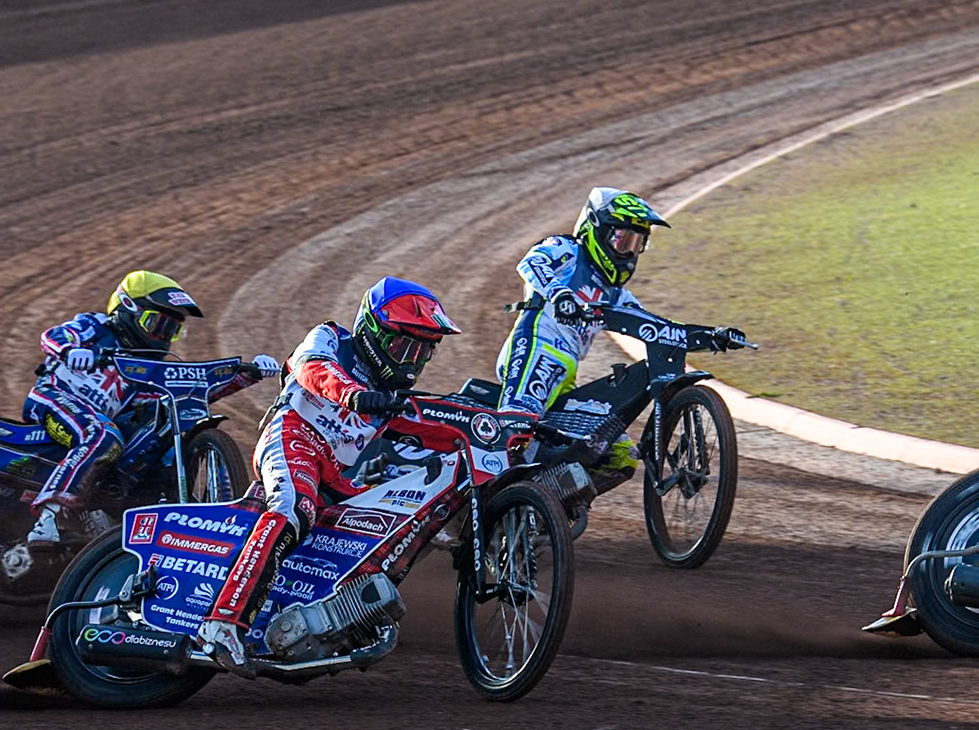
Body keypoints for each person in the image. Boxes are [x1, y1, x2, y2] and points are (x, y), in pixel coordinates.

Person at [194, 276, 460, 676]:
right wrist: (354, 394)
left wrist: (514, 429)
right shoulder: (330, 338)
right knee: (292, 509)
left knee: (389, 521)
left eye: (423, 351)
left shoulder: (391, 398)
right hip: (292, 438)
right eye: (404, 345)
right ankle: (223, 625)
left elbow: (444, 429)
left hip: (334, 475)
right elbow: (312, 370)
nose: (412, 361)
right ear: (372, 331)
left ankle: (335, 620)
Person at [21, 270, 269, 546]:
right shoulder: (96, 326)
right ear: (127, 309)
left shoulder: (146, 370)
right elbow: (54, 335)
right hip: (54, 396)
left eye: (172, 330)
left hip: (101, 418)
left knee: (159, 425)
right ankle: (48, 518)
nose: (163, 337)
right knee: (104, 435)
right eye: (156, 324)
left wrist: (246, 375)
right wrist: (69, 350)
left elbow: (186, 394)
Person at [493, 188, 671, 480]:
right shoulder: (568, 250)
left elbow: (652, 324)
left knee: (619, 457)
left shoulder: (615, 293)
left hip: (567, 373)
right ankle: (481, 496)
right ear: (596, 229)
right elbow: (529, 263)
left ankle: (553, 499)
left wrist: (703, 336)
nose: (628, 253)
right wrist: (559, 293)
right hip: (537, 344)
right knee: (516, 428)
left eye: (636, 244)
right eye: (622, 240)